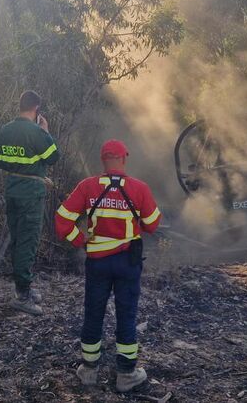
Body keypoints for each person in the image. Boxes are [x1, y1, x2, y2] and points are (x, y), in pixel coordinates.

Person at [54, 139, 162, 392]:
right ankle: (126, 374)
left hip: (98, 263)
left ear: (103, 160)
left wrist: (80, 240)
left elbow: (61, 221)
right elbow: (153, 224)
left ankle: (89, 371)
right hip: (128, 263)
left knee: (93, 313)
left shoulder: (88, 187)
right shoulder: (139, 188)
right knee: (126, 315)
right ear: (124, 158)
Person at [0, 90, 61, 315]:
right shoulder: (36, 131)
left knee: (17, 240)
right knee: (28, 242)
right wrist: (45, 132)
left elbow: (1, 160)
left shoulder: (5, 130)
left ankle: (23, 288)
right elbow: (53, 156)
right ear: (36, 109)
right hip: (31, 194)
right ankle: (22, 296)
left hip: (12, 190)